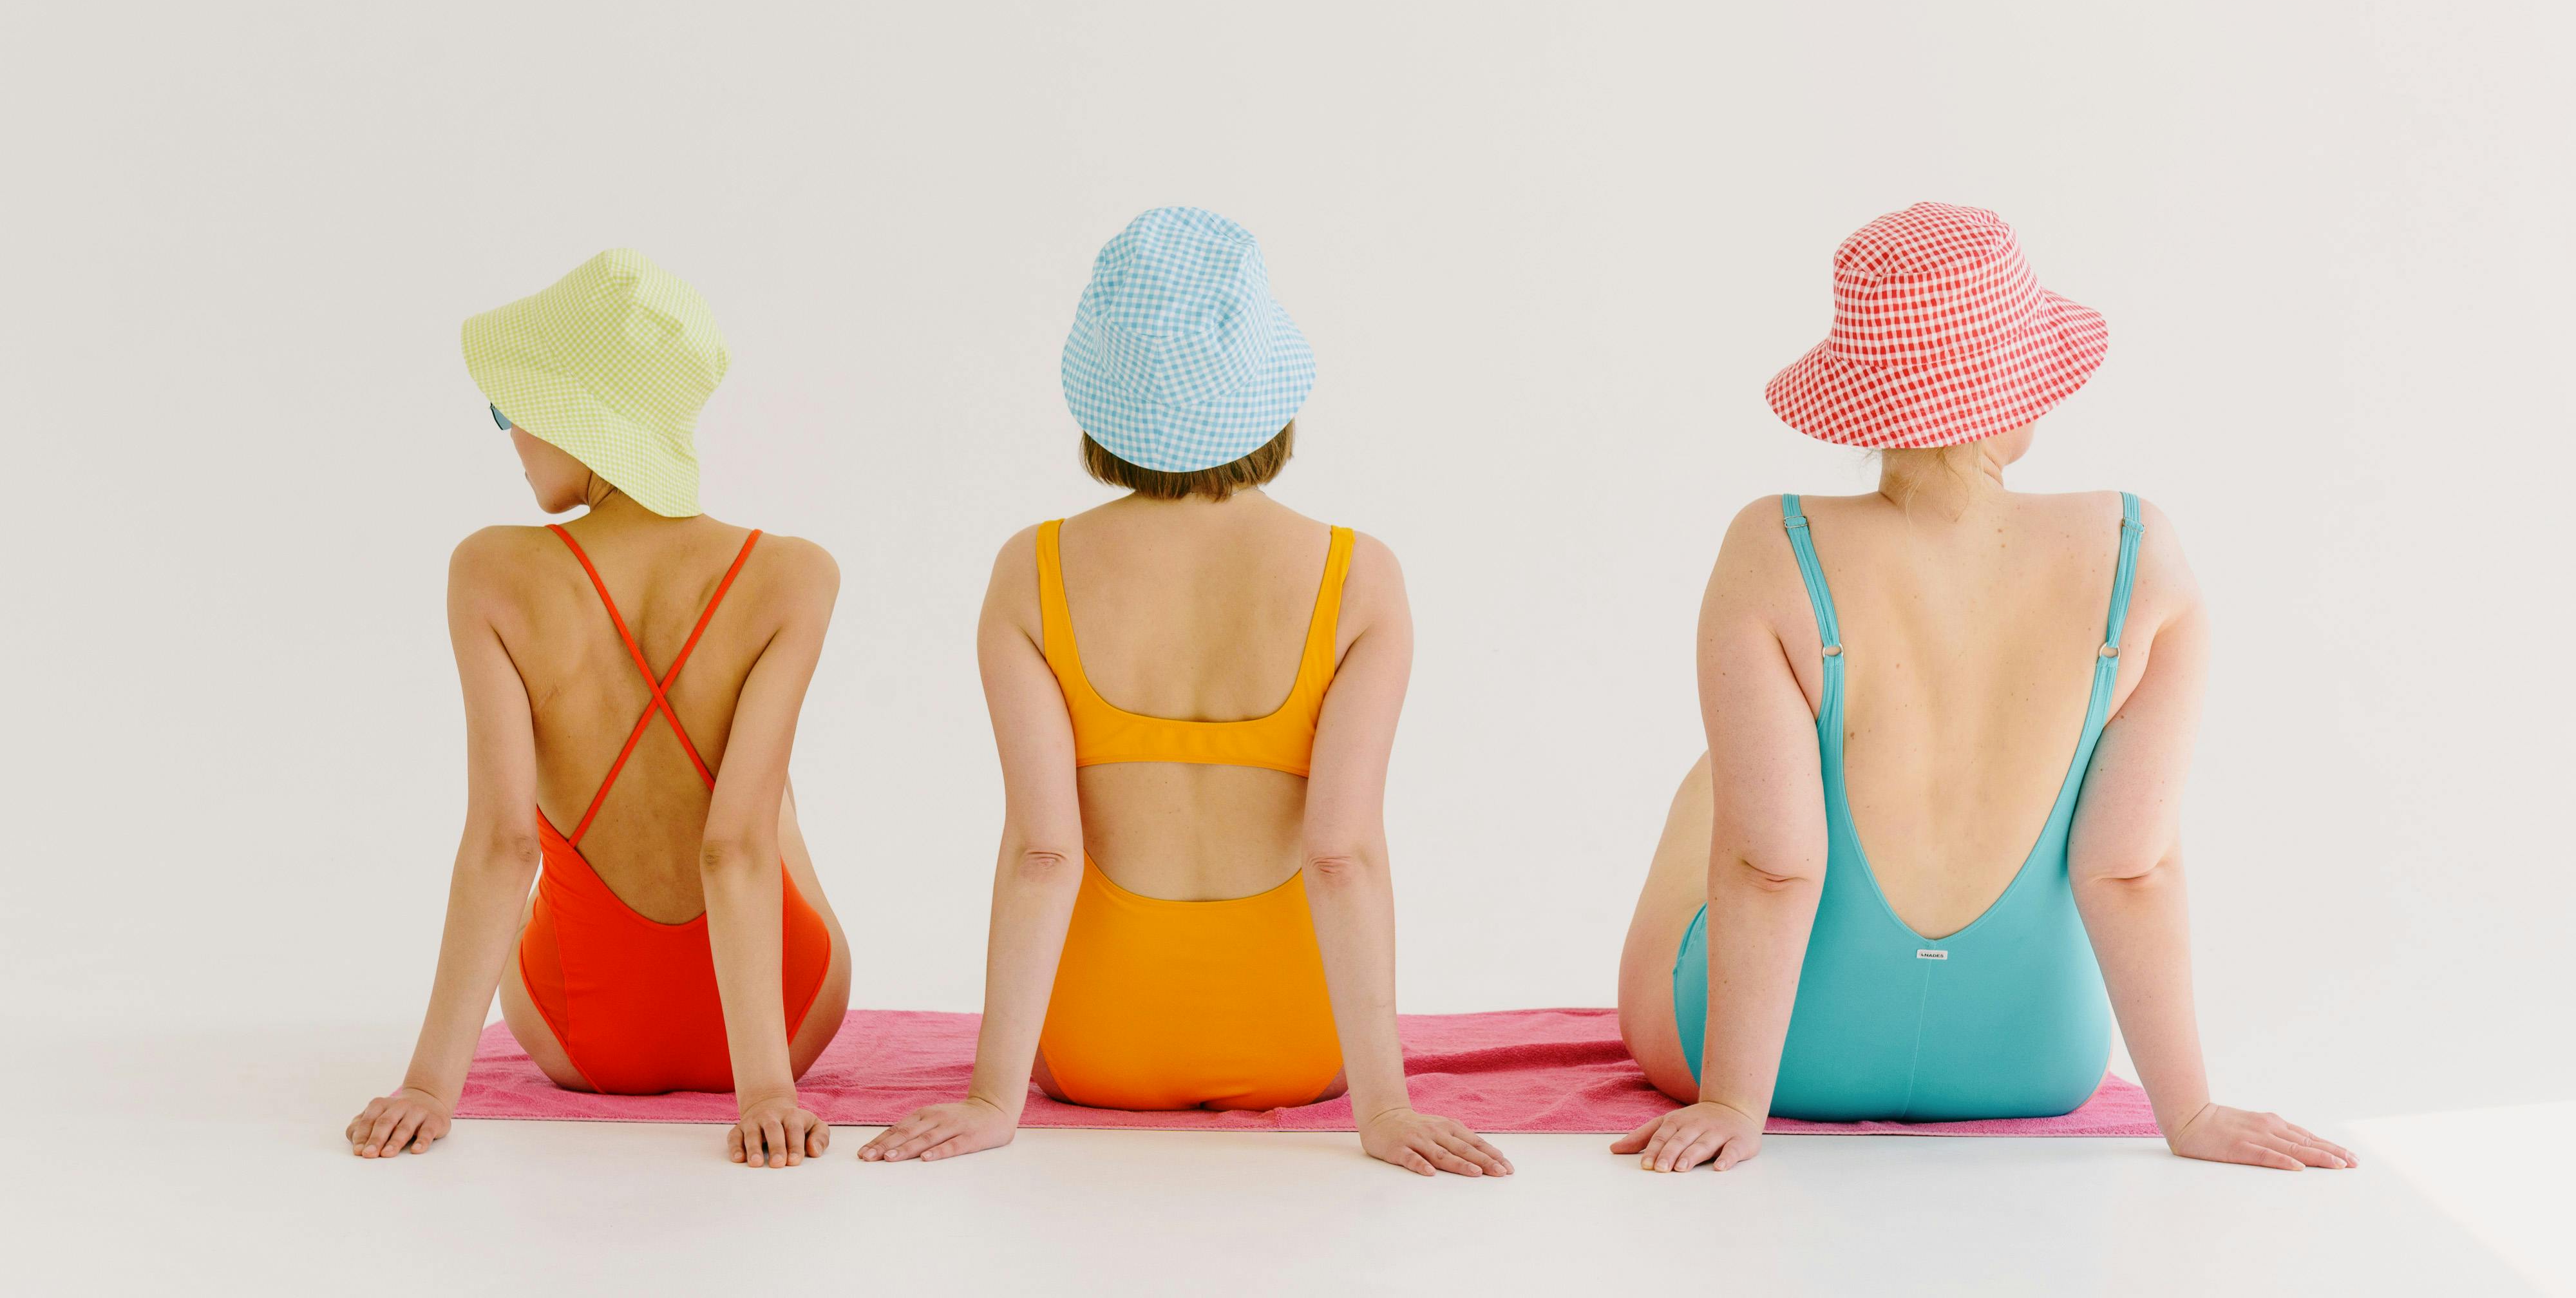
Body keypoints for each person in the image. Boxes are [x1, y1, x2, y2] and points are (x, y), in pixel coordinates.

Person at [1613, 203, 2354, 1175]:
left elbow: (1772, 866)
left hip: (1793, 1055)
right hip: (2036, 1058)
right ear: (2017, 386)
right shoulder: (2142, 554)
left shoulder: (1774, 548)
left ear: (1862, 398)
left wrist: (1734, 1101)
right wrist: (2193, 1111)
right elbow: (2131, 870)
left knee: (1719, 780)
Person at [859, 207, 1509, 1178]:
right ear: (1269, 393)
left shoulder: (1031, 571)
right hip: (1303, 1042)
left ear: (1099, 402)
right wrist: (1384, 1108)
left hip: (1096, 1049)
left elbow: (1044, 852)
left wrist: (994, 1097)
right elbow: (1342, 856)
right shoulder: (1358, 575)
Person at [344, 249, 851, 1169]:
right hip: (784, 1014)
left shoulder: (491, 572)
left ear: (583, 420)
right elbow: (732, 847)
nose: (509, 436)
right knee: (769, 799)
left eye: (513, 409)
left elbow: (504, 845)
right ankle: (756, 1061)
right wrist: (767, 1091)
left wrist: (426, 1085)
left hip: (583, 1038)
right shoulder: (793, 575)